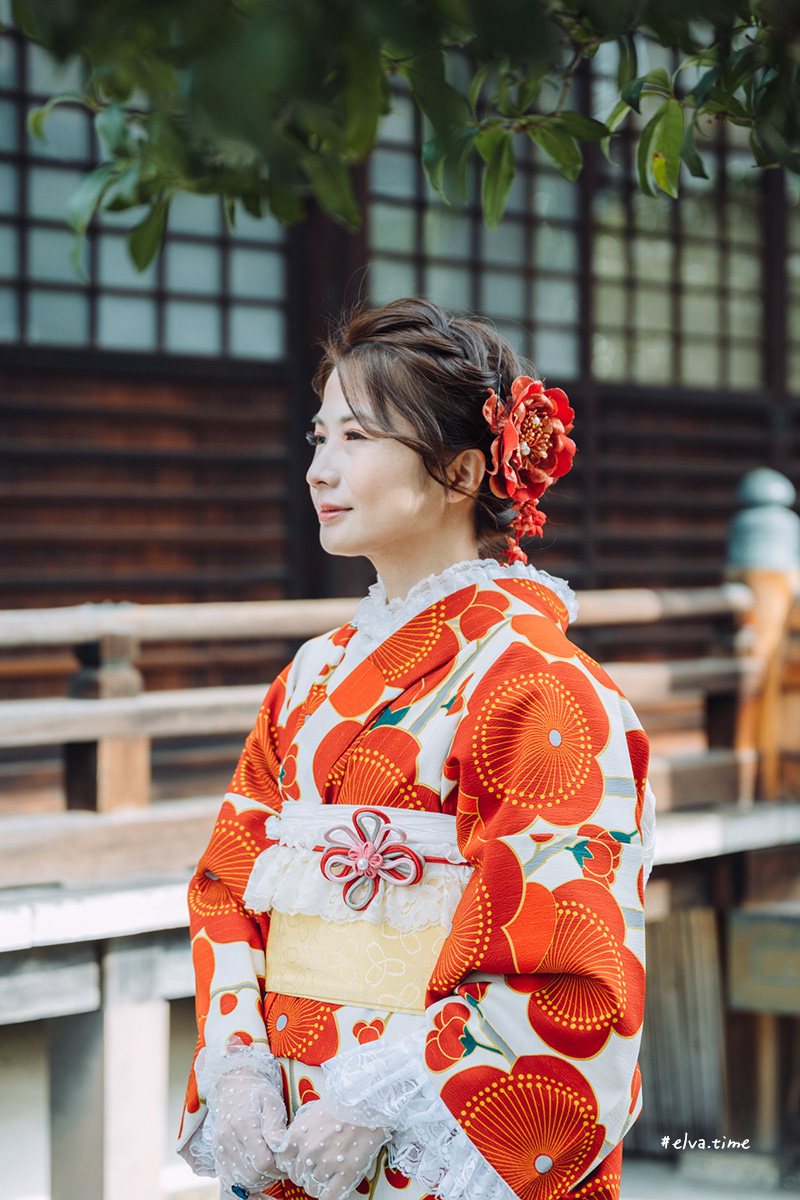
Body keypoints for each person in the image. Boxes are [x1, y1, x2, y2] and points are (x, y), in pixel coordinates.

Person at [177, 297, 654, 1200]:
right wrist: (236, 1059)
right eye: (318, 438)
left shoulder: (537, 682)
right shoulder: (312, 676)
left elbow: (570, 962)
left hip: (426, 1127)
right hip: (288, 1112)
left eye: (357, 437)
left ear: (462, 469)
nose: (320, 469)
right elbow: (229, 880)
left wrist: (381, 1097)